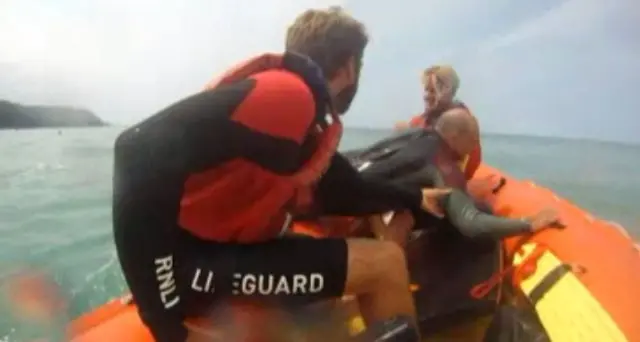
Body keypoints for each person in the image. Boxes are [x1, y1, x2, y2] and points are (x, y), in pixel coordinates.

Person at [112, 7, 448, 342]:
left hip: (212, 251)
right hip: (193, 265)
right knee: (386, 264)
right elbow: (136, 151)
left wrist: (416, 198)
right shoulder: (290, 98)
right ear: (348, 67)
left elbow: (348, 189)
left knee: (331, 266)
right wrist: (163, 318)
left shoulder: (301, 115)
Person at [364, 107, 560, 245]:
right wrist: (529, 223)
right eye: (473, 140)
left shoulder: (414, 135)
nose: (475, 147)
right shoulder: (444, 163)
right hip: (352, 208)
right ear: (455, 136)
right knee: (450, 213)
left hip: (350, 187)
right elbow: (470, 222)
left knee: (408, 211)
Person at [394, 65, 484, 183]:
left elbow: (467, 168)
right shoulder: (419, 122)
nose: (426, 96)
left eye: (433, 91)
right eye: (426, 90)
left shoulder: (463, 127)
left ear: (449, 91)